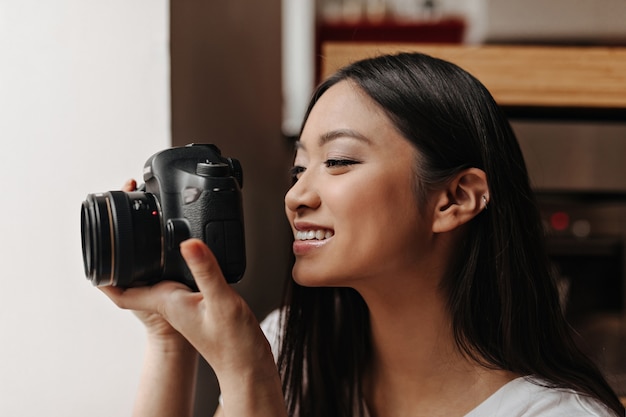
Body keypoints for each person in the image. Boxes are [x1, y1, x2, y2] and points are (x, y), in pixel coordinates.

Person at [101, 52, 625, 417]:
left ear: (455, 198)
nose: (296, 197)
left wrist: (250, 377)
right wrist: (168, 340)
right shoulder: (290, 348)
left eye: (339, 160)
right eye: (298, 170)